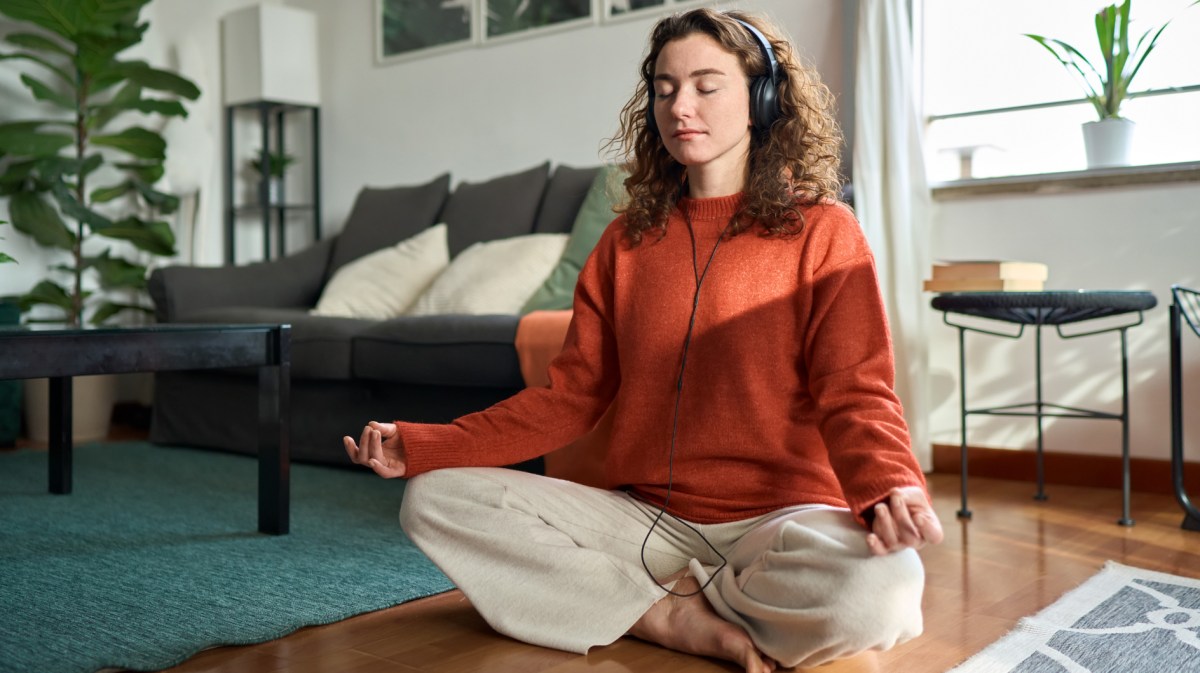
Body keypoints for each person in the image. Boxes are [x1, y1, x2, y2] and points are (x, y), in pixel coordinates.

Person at [344, 8, 943, 673]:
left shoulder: (825, 231)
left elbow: (854, 385)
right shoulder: (623, 244)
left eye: (706, 85)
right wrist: (429, 444)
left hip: (783, 521)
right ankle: (669, 617)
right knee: (435, 499)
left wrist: (889, 483)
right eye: (663, 88)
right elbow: (567, 400)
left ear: (761, 99)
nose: (679, 105)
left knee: (884, 590)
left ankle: (624, 600)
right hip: (644, 522)